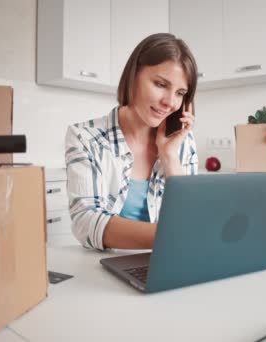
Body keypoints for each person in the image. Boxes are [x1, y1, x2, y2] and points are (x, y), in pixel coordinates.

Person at [65, 33, 199, 251]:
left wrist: (169, 156)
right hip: (107, 267)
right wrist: (168, 236)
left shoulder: (183, 143)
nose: (169, 102)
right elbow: (86, 222)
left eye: (180, 93)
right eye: (160, 84)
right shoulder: (85, 137)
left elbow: (192, 219)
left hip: (167, 262)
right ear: (133, 75)